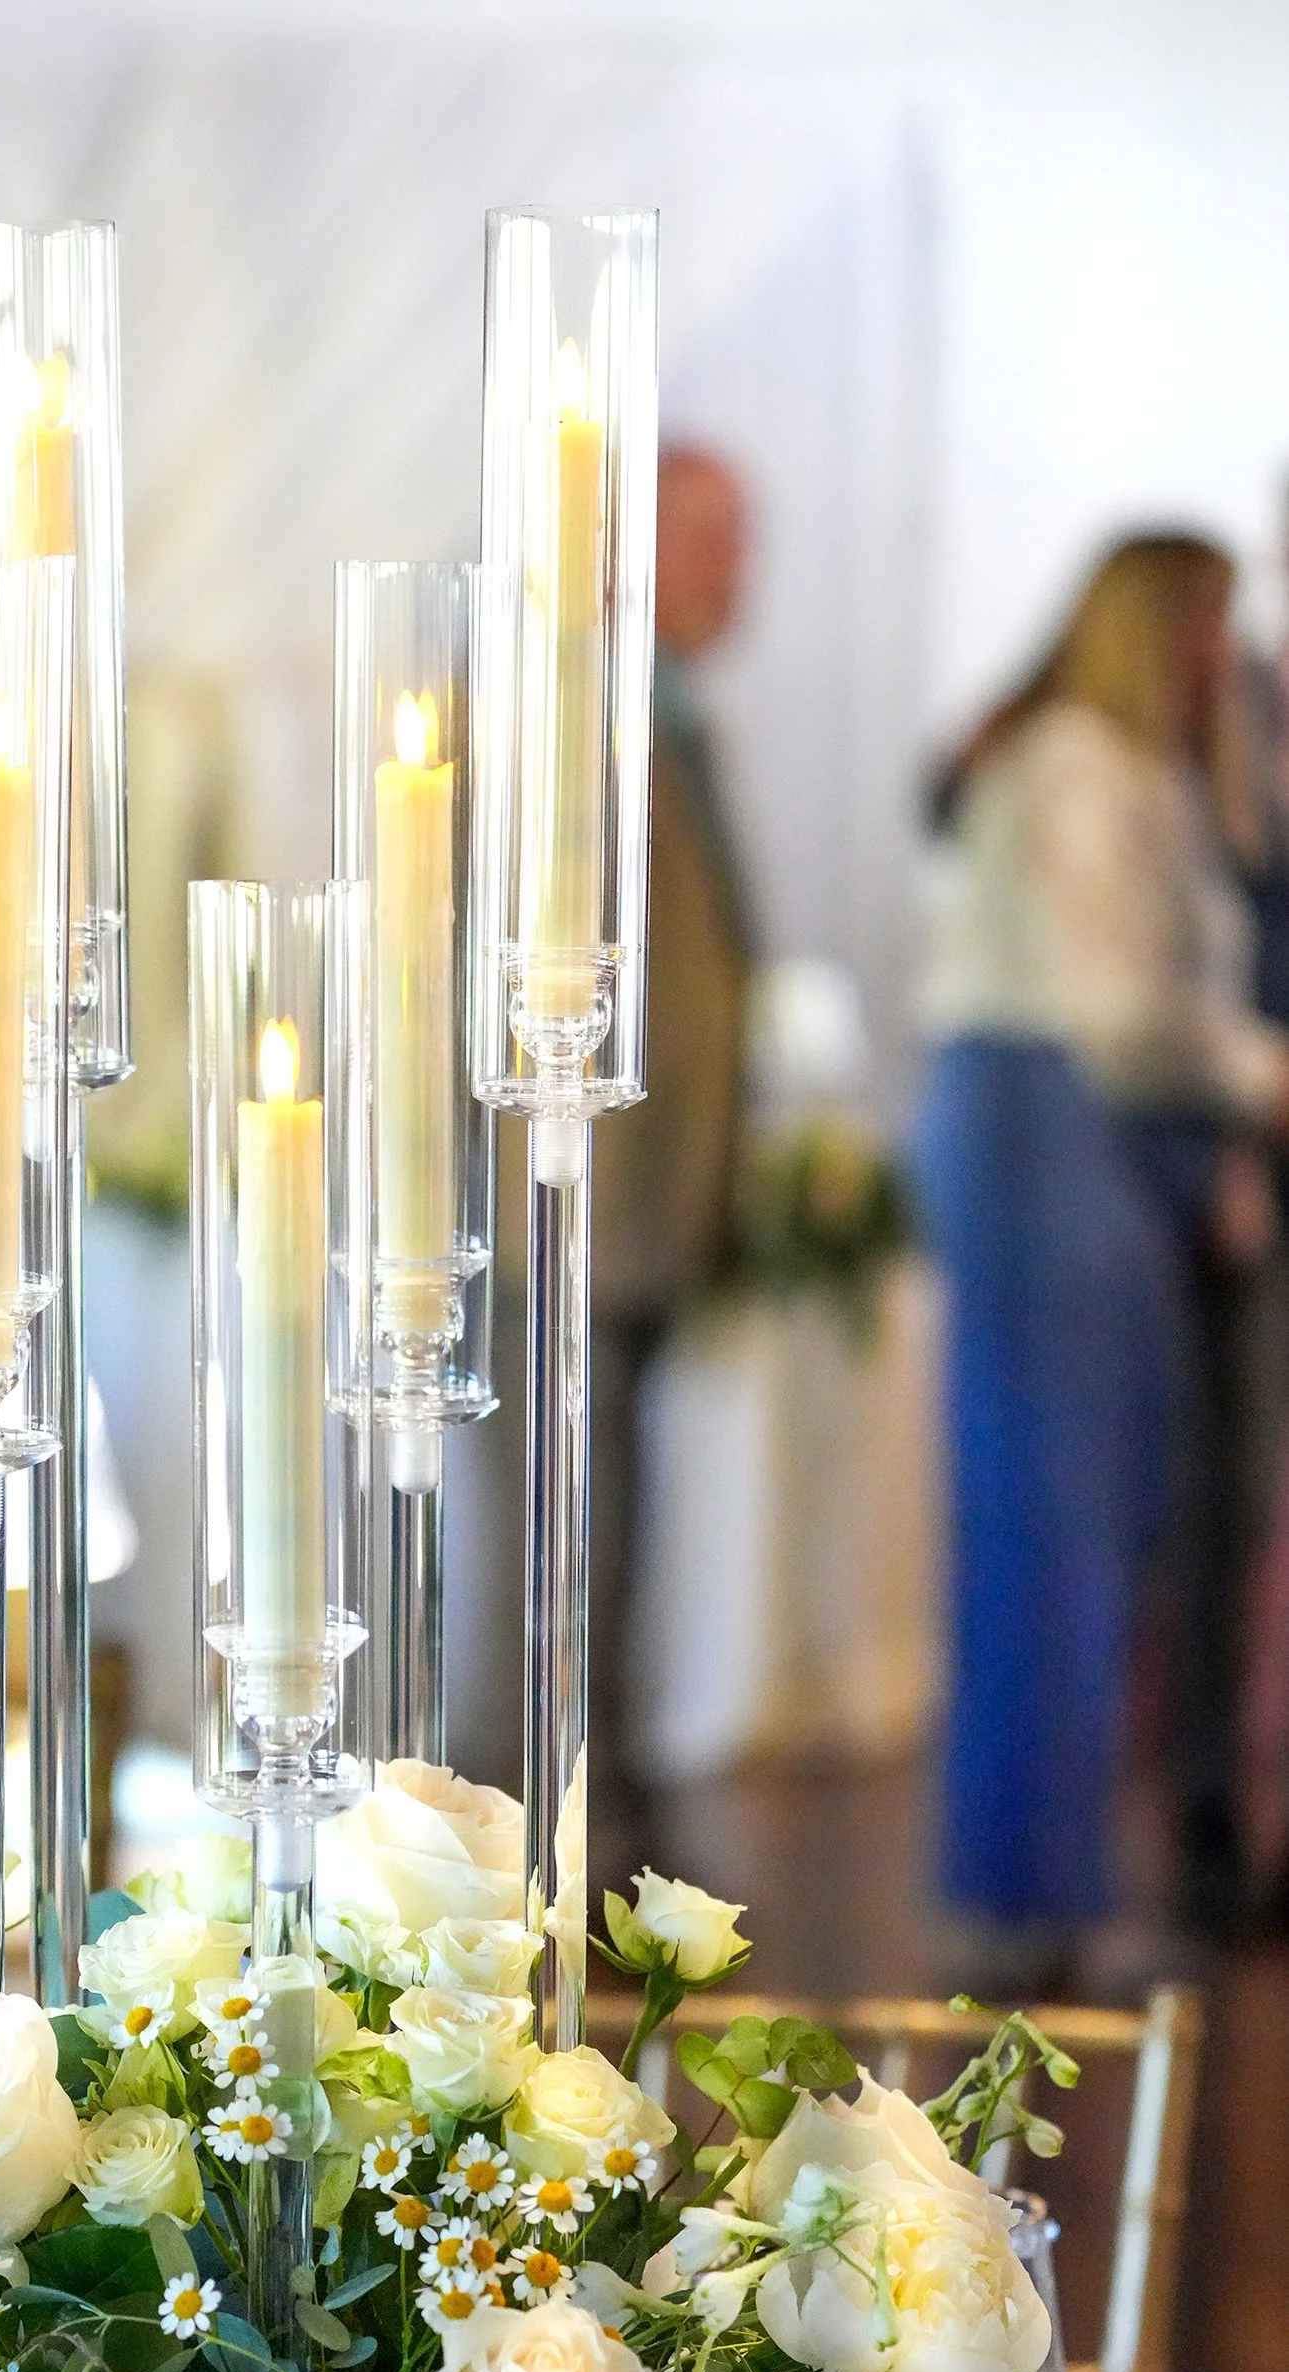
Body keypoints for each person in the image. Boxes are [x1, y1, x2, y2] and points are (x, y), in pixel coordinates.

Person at [916, 533, 1289, 1942]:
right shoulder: (1080, 764)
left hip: (1082, 1140)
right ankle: (1027, 1895)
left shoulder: (1134, 769)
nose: (1218, 659)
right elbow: (1121, 1018)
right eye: (1202, 626)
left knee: (1089, 1524)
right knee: (1050, 1532)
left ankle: (1048, 1883)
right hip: (1043, 1128)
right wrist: (1266, 1077)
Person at [586, 443, 756, 1804]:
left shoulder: (671, 709)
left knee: (620, 1505)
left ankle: (605, 1771)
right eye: (714, 541)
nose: (739, 574)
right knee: (573, 1513)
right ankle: (560, 1795)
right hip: (583, 1185)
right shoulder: (573, 711)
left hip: (652, 1191)